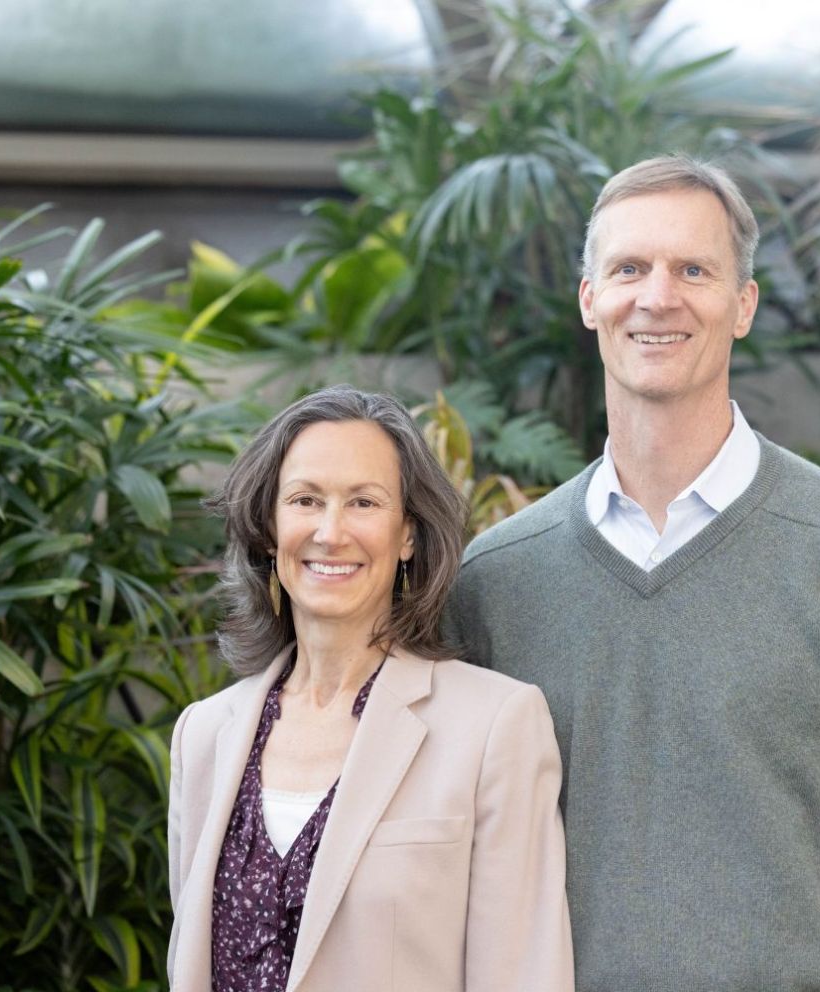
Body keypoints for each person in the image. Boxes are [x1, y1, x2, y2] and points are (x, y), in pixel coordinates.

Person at [445, 156, 820, 991]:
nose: (658, 297)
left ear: (743, 306)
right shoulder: (496, 580)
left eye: (694, 269)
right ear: (590, 301)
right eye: (628, 268)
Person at [167, 385, 573, 992]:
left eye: (363, 502)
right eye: (305, 500)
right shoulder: (203, 735)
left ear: (408, 534)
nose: (331, 532)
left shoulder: (494, 726)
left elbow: (522, 975)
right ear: (270, 530)